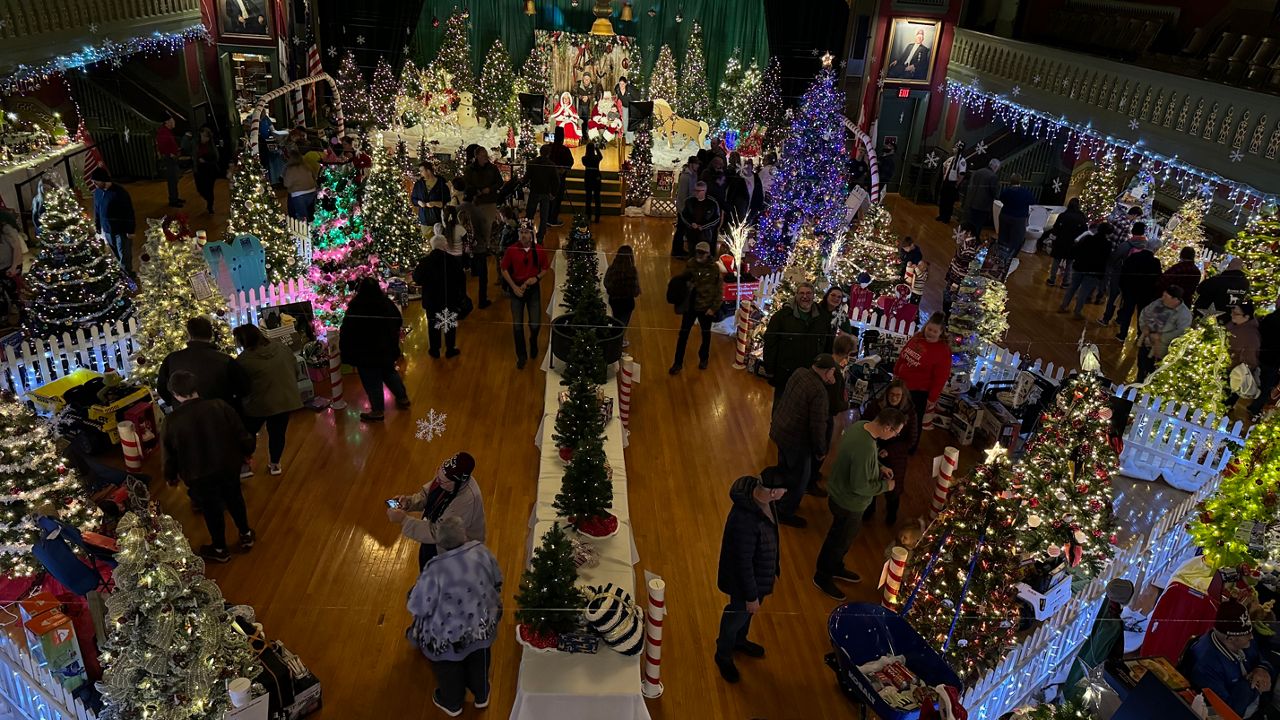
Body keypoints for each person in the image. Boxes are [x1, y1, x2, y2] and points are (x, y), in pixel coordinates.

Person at [406, 516, 502, 716]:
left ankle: (452, 702)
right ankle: (481, 694)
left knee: (448, 669)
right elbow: (497, 579)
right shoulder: (480, 551)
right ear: (464, 535)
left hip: (445, 635)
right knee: (479, 661)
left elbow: (418, 605)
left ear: (440, 542)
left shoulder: (434, 569)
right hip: (480, 626)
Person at [162, 370, 256, 563]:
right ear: (196, 388)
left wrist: (170, 476)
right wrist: (247, 452)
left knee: (211, 509)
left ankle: (220, 548)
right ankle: (246, 534)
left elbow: (169, 455)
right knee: (235, 497)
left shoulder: (171, 421)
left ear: (175, 394)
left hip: (198, 474)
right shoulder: (219, 406)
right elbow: (241, 433)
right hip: (228, 465)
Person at [813, 407, 906, 600]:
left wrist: (880, 467)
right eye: (897, 432)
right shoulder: (865, 446)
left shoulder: (861, 427)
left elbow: (862, 462)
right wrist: (885, 486)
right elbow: (860, 486)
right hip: (849, 503)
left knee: (840, 539)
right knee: (838, 541)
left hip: (841, 495)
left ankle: (835, 567)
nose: (896, 436)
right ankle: (823, 576)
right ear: (888, 428)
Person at [713, 472, 786, 684]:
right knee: (735, 616)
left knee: (745, 616)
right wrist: (751, 596)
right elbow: (743, 563)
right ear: (773, 492)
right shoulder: (745, 520)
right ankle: (723, 654)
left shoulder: (764, 503)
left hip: (758, 577)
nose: (786, 493)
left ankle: (739, 641)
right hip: (744, 583)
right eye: (784, 490)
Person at [769, 354, 837, 527]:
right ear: (827, 371)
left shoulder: (800, 373)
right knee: (799, 479)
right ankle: (785, 511)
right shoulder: (819, 392)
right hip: (797, 442)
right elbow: (818, 426)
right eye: (833, 372)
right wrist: (820, 450)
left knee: (783, 470)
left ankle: (777, 499)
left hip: (781, 430)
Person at [389, 451, 486, 570]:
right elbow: (427, 494)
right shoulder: (446, 478)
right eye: (438, 475)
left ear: (457, 483)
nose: (438, 482)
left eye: (442, 481)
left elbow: (439, 533)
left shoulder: (466, 501)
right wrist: (409, 502)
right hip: (434, 540)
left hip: (451, 555)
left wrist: (404, 521)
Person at [232, 324, 302, 476]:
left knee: (248, 433)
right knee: (278, 433)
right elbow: (295, 371)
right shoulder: (282, 349)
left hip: (257, 405)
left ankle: (245, 464)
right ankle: (275, 464)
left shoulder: (243, 361)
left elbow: (240, 387)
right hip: (284, 400)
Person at [1186, 598, 1274, 719]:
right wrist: (1252, 685)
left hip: (1260, 706)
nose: (1252, 637)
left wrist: (1262, 669)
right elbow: (1224, 712)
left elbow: (1262, 659)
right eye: (1247, 634)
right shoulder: (1206, 666)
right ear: (1230, 638)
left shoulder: (1243, 642)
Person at [339, 278, 411, 422]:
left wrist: (346, 351)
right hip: (385, 349)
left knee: (372, 382)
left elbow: (347, 331)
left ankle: (377, 411)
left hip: (365, 353)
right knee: (390, 373)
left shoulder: (356, 306)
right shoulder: (386, 303)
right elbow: (398, 321)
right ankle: (403, 398)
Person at [157, 317, 249, 411]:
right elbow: (243, 389)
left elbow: (162, 388)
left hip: (185, 416)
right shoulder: (226, 360)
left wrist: (176, 403)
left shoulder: (171, 359)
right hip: (218, 415)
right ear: (210, 334)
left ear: (189, 335)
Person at [860, 380, 918, 525]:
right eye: (891, 394)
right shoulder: (876, 406)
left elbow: (911, 440)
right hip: (874, 449)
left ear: (903, 396)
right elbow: (864, 424)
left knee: (893, 488)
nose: (894, 398)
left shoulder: (909, 413)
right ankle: (868, 510)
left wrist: (890, 451)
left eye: (898, 395)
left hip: (896, 456)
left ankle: (891, 514)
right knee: (871, 481)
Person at [892, 312, 952, 452]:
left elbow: (941, 377)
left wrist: (932, 398)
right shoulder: (918, 338)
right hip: (902, 384)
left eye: (935, 331)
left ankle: (909, 447)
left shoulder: (942, 351)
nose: (930, 333)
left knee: (913, 420)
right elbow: (903, 355)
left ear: (941, 332)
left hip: (918, 391)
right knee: (896, 413)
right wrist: (896, 372)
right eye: (929, 329)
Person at [761, 283, 826, 407]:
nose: (805, 296)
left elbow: (825, 344)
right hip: (785, 371)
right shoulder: (781, 317)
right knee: (780, 406)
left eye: (808, 293)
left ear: (813, 296)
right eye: (801, 293)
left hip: (810, 373)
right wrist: (769, 367)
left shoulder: (822, 318)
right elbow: (770, 343)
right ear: (796, 296)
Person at [669, 241, 724, 374]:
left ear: (708, 254)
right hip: (691, 307)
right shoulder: (691, 264)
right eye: (697, 251)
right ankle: (677, 363)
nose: (699, 255)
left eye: (702, 252)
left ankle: (704, 359)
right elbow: (682, 282)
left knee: (706, 335)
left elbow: (719, 291)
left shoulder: (714, 268)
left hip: (706, 308)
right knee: (683, 335)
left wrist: (713, 308)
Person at [499, 221, 548, 369]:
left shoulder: (539, 249)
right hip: (517, 289)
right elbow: (504, 268)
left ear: (531, 234)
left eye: (526, 233)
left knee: (535, 324)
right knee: (517, 325)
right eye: (521, 233)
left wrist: (537, 278)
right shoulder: (512, 250)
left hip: (532, 289)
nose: (523, 235)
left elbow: (545, 268)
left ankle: (533, 341)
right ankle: (521, 355)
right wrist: (513, 287)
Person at [413, 227, 467, 359]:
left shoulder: (425, 261)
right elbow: (461, 279)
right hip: (449, 298)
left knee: (433, 325)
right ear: (445, 245)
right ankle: (450, 349)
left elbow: (417, 278)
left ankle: (435, 350)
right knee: (449, 324)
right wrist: (461, 295)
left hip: (431, 300)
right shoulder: (452, 260)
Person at [1114, 226, 1163, 342]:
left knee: (1127, 312)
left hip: (1130, 290)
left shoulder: (1135, 256)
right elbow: (1157, 279)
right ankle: (1139, 336)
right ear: (1156, 249)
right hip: (1145, 294)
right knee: (1142, 315)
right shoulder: (1156, 262)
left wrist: (1123, 287)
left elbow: (1124, 271)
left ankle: (1122, 335)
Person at [1099, 224, 1153, 326]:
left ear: (1133, 231)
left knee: (1113, 297)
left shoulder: (1126, 245)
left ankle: (1106, 318)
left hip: (1119, 274)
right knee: (1126, 299)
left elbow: (1114, 257)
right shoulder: (1146, 246)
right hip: (1134, 278)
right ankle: (1120, 319)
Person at [462, 148, 502, 283]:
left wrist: (489, 189)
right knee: (475, 230)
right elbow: (466, 184)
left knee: (488, 227)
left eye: (486, 155)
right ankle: (477, 258)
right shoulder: (469, 170)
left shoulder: (493, 168)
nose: (485, 157)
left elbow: (500, 182)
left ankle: (485, 251)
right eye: (483, 155)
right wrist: (476, 191)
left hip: (489, 201)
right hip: (475, 202)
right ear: (477, 156)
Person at [1058, 222, 1114, 318]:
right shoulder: (1108, 244)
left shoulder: (1088, 238)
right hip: (1093, 271)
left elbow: (1076, 249)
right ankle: (1077, 312)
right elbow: (1105, 260)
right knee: (1084, 292)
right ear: (1108, 233)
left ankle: (1063, 306)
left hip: (1079, 266)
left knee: (1072, 287)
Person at [1135, 286, 1192, 381]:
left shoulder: (1184, 314)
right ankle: (1138, 383)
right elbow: (1145, 313)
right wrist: (1143, 326)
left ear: (1175, 299)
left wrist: (1161, 337)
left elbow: (1182, 333)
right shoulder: (1158, 302)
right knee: (1141, 365)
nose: (1163, 298)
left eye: (1166, 297)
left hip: (1162, 351)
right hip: (1146, 343)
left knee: (1154, 373)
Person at [89, 168, 136, 276]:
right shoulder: (97, 193)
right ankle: (124, 274)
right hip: (108, 230)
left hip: (121, 231)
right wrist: (98, 225)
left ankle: (128, 276)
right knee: (117, 254)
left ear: (103, 180)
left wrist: (131, 230)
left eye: (96, 181)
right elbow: (97, 209)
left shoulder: (120, 193)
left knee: (124, 255)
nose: (94, 184)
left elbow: (129, 211)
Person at [603, 245, 640, 347]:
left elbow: (606, 283)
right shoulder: (632, 271)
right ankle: (619, 341)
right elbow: (636, 291)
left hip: (614, 301)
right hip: (627, 303)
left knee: (615, 320)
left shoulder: (612, 269)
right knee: (623, 323)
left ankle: (614, 339)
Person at [1045, 198, 1087, 287]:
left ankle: (1052, 280)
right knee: (1069, 263)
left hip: (1060, 242)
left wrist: (1053, 238)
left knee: (1056, 261)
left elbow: (1056, 227)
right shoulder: (1081, 216)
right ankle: (1066, 282)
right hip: (1073, 243)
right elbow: (1084, 230)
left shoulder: (1063, 215)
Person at [523, 145, 560, 243]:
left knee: (530, 214)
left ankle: (528, 233)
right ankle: (540, 237)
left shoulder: (532, 163)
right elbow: (556, 181)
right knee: (544, 217)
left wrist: (522, 183)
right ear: (549, 153)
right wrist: (553, 193)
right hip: (545, 193)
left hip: (534, 191)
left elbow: (527, 178)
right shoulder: (551, 165)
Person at [943, 222, 982, 314]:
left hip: (957, 280)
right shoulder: (966, 244)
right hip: (955, 277)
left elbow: (963, 267)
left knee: (949, 302)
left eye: (961, 232)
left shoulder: (970, 248)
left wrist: (955, 283)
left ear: (968, 233)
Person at [679, 182, 721, 266]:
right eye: (695, 190)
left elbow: (716, 219)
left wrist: (704, 226)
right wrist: (691, 224)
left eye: (699, 191)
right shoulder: (689, 201)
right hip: (691, 232)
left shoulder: (712, 203)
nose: (697, 193)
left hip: (705, 234)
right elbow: (684, 215)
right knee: (692, 253)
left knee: (704, 254)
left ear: (705, 191)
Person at [996, 174, 1034, 261]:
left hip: (1005, 216)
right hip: (1019, 218)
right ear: (1020, 181)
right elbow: (1032, 201)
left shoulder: (1006, 191)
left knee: (1003, 236)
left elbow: (1001, 198)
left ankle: (1000, 255)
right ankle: (1010, 258)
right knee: (1016, 239)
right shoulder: (1025, 192)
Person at [671, 156, 701, 256]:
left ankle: (681, 249)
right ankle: (676, 250)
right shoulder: (685, 177)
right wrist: (683, 209)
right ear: (691, 164)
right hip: (684, 208)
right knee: (681, 229)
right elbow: (683, 195)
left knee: (684, 230)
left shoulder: (694, 175)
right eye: (696, 164)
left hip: (690, 207)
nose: (698, 166)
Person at [545, 126, 574, 225]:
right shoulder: (564, 150)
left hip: (548, 178)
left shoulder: (549, 148)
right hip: (559, 179)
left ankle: (547, 218)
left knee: (549, 198)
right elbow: (570, 162)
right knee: (557, 199)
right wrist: (562, 170)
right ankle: (553, 219)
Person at [412, 162, 449, 236]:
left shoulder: (441, 183)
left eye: (422, 171)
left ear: (428, 171)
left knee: (440, 243)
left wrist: (434, 203)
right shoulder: (419, 184)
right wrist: (419, 202)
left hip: (438, 220)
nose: (420, 173)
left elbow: (447, 200)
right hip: (425, 220)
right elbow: (413, 199)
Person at [965, 159, 1001, 230]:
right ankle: (973, 239)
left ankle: (966, 238)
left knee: (970, 223)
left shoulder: (978, 171)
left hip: (972, 201)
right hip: (982, 205)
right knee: (978, 225)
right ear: (996, 167)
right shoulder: (993, 176)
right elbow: (994, 192)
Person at [156, 115, 183, 207]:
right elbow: (162, 146)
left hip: (172, 158)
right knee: (172, 179)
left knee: (174, 179)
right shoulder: (163, 132)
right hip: (169, 159)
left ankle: (175, 197)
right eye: (172, 121)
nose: (174, 123)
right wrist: (169, 154)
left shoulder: (167, 131)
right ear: (167, 122)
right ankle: (173, 200)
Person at [283, 149, 317, 222]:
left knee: (302, 217)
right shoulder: (306, 165)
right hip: (312, 191)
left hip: (299, 195)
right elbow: (314, 176)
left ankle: (304, 231)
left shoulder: (290, 169)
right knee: (312, 214)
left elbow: (286, 184)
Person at [935, 143, 966, 223]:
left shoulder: (962, 161)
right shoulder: (951, 158)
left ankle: (946, 217)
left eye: (956, 147)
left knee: (949, 201)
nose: (954, 149)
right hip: (946, 182)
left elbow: (962, 174)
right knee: (943, 199)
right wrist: (945, 175)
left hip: (953, 184)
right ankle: (941, 215)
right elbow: (944, 165)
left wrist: (957, 183)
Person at [192, 126, 220, 215]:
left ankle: (210, 206)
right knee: (200, 189)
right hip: (199, 170)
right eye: (202, 136)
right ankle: (209, 201)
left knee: (209, 189)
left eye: (205, 137)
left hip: (209, 171)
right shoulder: (197, 144)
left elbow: (215, 158)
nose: (203, 138)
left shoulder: (211, 146)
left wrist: (205, 161)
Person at [582, 141, 603, 223]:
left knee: (588, 197)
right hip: (596, 177)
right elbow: (601, 156)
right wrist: (597, 148)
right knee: (597, 198)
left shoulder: (584, 158)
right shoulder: (596, 158)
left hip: (588, 177)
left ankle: (588, 216)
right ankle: (597, 217)